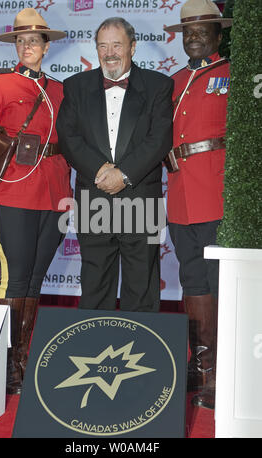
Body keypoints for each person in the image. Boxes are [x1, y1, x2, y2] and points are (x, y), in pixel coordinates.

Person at [0, 8, 72, 394]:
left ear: (46, 46)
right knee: (14, 279)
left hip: (53, 195)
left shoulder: (60, 90)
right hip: (10, 191)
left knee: (35, 279)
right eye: (21, 40)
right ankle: (6, 365)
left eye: (35, 40)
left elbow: (67, 146)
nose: (28, 46)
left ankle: (23, 359)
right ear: (16, 46)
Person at [56, 17, 173, 313]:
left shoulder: (159, 86)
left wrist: (123, 174)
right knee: (95, 285)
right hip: (93, 197)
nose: (110, 52)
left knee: (142, 287)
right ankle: (94, 352)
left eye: (117, 45)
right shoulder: (75, 86)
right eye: (102, 45)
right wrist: (100, 171)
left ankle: (143, 354)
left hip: (142, 198)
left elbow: (159, 139)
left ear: (132, 47)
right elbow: (69, 138)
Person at [164, 0, 232, 409]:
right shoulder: (172, 81)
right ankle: (201, 366)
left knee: (217, 282)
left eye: (202, 31)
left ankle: (221, 371)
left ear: (218, 35)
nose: (194, 38)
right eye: (188, 32)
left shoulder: (232, 75)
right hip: (180, 196)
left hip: (216, 192)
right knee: (192, 282)